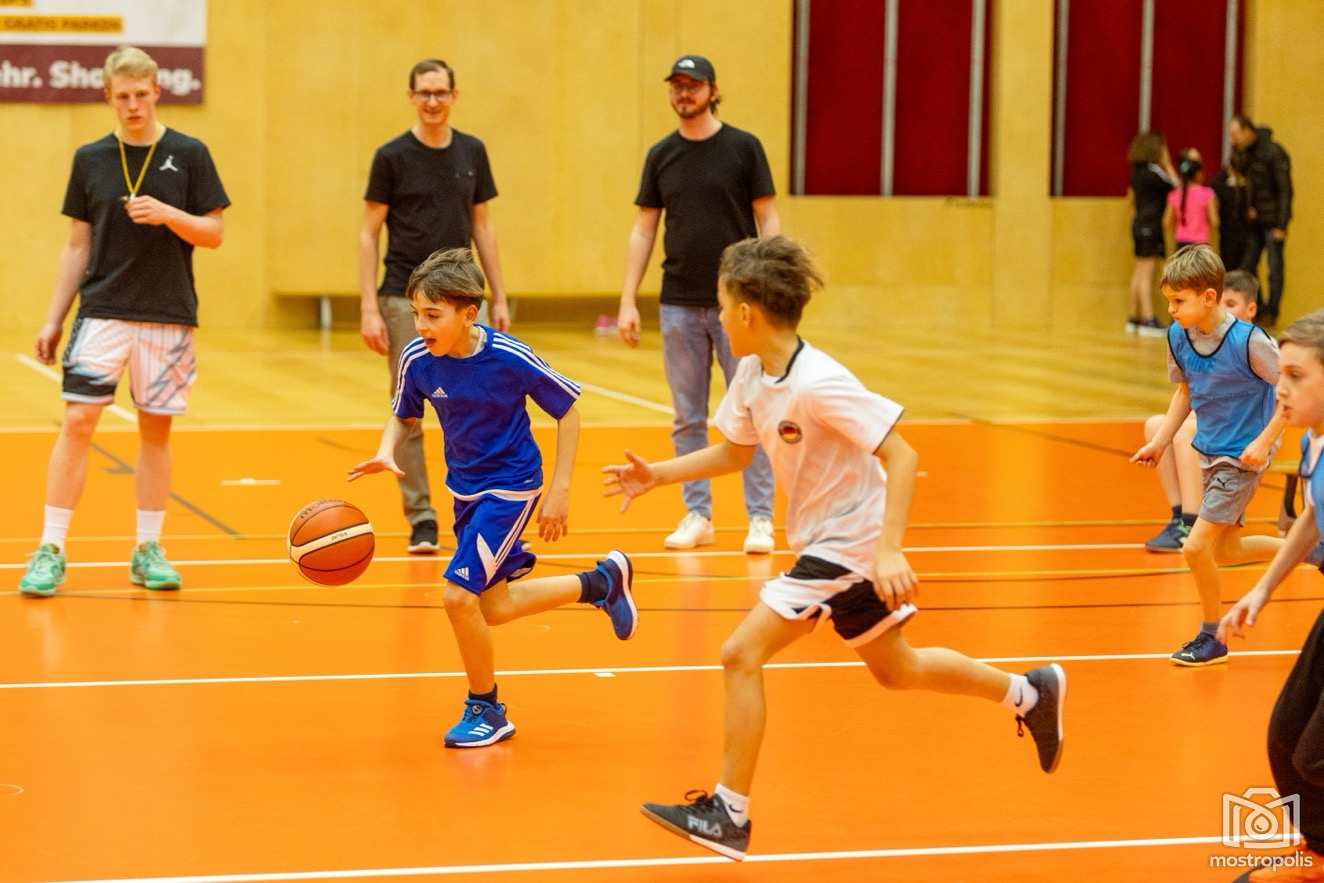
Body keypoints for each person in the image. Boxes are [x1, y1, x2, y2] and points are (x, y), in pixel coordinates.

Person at [606, 236, 1066, 861]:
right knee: (897, 669)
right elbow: (736, 454)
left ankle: (728, 814)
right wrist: (657, 475)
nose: (717, 316)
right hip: (828, 541)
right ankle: (1029, 692)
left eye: (721, 304)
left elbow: (903, 455)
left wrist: (890, 550)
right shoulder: (752, 375)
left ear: (746, 312)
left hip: (850, 544)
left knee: (739, 654)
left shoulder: (820, 383)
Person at [349, 248, 637, 748]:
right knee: (495, 607)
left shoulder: (509, 356)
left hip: (511, 486)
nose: (420, 325)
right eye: (416, 313)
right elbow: (403, 413)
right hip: (465, 489)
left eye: (432, 315)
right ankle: (601, 583)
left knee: (458, 598)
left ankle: (485, 708)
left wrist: (560, 490)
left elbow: (568, 411)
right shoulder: (418, 358)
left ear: (468, 314)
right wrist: (384, 450)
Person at [19, 46, 229, 597]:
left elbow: (213, 233)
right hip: (102, 312)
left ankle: (147, 548)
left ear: (157, 91)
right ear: (108, 97)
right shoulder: (90, 159)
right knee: (78, 421)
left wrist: (168, 214)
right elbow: (76, 245)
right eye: (123, 96)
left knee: (155, 432)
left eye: (141, 94)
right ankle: (50, 548)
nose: (133, 105)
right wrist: (53, 318)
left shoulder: (190, 153)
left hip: (168, 315)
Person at [615, 55, 779, 555]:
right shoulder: (661, 154)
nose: (684, 93)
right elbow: (644, 229)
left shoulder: (744, 148)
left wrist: (770, 284)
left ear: (712, 90)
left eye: (693, 85)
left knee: (753, 410)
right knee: (687, 416)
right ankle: (698, 514)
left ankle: (760, 517)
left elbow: (768, 217)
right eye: (677, 86)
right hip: (678, 303)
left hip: (740, 306)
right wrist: (627, 299)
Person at [360, 58, 512, 555]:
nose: (432, 101)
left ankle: (484, 505)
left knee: (484, 400)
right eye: (423, 93)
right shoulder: (391, 157)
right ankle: (421, 515)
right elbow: (369, 233)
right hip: (405, 296)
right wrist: (369, 306)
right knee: (408, 405)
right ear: (411, 97)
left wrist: (499, 295)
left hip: (464, 298)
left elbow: (482, 226)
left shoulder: (472, 151)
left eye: (440, 92)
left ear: (454, 96)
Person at [1131, 246, 1284, 665]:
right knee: (1226, 551)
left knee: (1195, 547)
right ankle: (1310, 550)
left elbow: (1288, 394)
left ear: (1209, 297)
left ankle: (1211, 636)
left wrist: (1264, 441)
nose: (1171, 310)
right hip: (1209, 451)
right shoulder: (1178, 336)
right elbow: (1185, 393)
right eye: (1168, 301)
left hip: (1242, 457)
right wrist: (1161, 442)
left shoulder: (1249, 342)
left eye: (1178, 301)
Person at [1220, 309, 1324, 882]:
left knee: (1317, 757)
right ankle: (1320, 855)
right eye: (1280, 373)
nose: (1280, 387)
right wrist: (1263, 588)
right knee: (1286, 738)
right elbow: (1312, 516)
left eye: (1297, 376)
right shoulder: (1314, 442)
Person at [1142, 270, 1261, 552]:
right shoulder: (1195, 337)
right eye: (1223, 303)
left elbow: (1279, 391)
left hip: (1248, 429)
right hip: (1216, 420)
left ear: (1251, 309)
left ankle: (1192, 520)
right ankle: (1178, 516)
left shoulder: (1252, 342)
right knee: (1155, 425)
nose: (1224, 310)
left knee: (1187, 433)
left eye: (1231, 304)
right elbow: (1189, 393)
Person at [1230, 115, 1293, 325]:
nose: (1232, 140)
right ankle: (1258, 307)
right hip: (1255, 221)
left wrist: (1282, 224)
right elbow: (1246, 184)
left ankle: (1271, 312)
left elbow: (1284, 189)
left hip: (1273, 221)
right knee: (1247, 267)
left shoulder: (1274, 152)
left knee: (1274, 268)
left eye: (1235, 134)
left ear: (1247, 131)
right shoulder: (1244, 154)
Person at [1126, 131, 1177, 336]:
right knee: (1146, 273)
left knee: (1139, 272)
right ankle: (1148, 319)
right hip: (1150, 225)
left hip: (1139, 224)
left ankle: (1133, 318)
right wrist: (1168, 164)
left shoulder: (1136, 172)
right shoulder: (1154, 173)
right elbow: (1176, 188)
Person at [1162, 147, 1217, 249]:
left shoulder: (1174, 194)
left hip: (1181, 243)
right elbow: (1214, 221)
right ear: (1198, 173)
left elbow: (1166, 222)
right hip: (1201, 244)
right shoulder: (1207, 193)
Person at [1210, 151, 1251, 272]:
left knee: (1236, 269)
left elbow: (1214, 183)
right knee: (1238, 268)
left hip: (1236, 235)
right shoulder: (1245, 187)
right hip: (1236, 235)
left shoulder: (1227, 187)